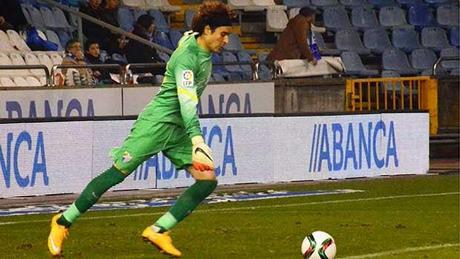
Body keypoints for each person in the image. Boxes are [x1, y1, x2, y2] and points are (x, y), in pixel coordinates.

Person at [47, 1, 234, 257]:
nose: (226, 41)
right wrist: (198, 140)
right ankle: (62, 221)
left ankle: (158, 230)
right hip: (157, 124)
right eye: (223, 34)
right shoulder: (187, 60)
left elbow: (191, 33)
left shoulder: (197, 41)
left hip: (176, 129)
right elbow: (187, 103)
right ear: (208, 30)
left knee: (206, 181)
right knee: (116, 174)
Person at [125, 14, 165, 80]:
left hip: (149, 64)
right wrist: (155, 62)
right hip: (142, 66)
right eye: (152, 24)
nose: (154, 26)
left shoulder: (145, 37)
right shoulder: (139, 39)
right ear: (146, 24)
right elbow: (144, 57)